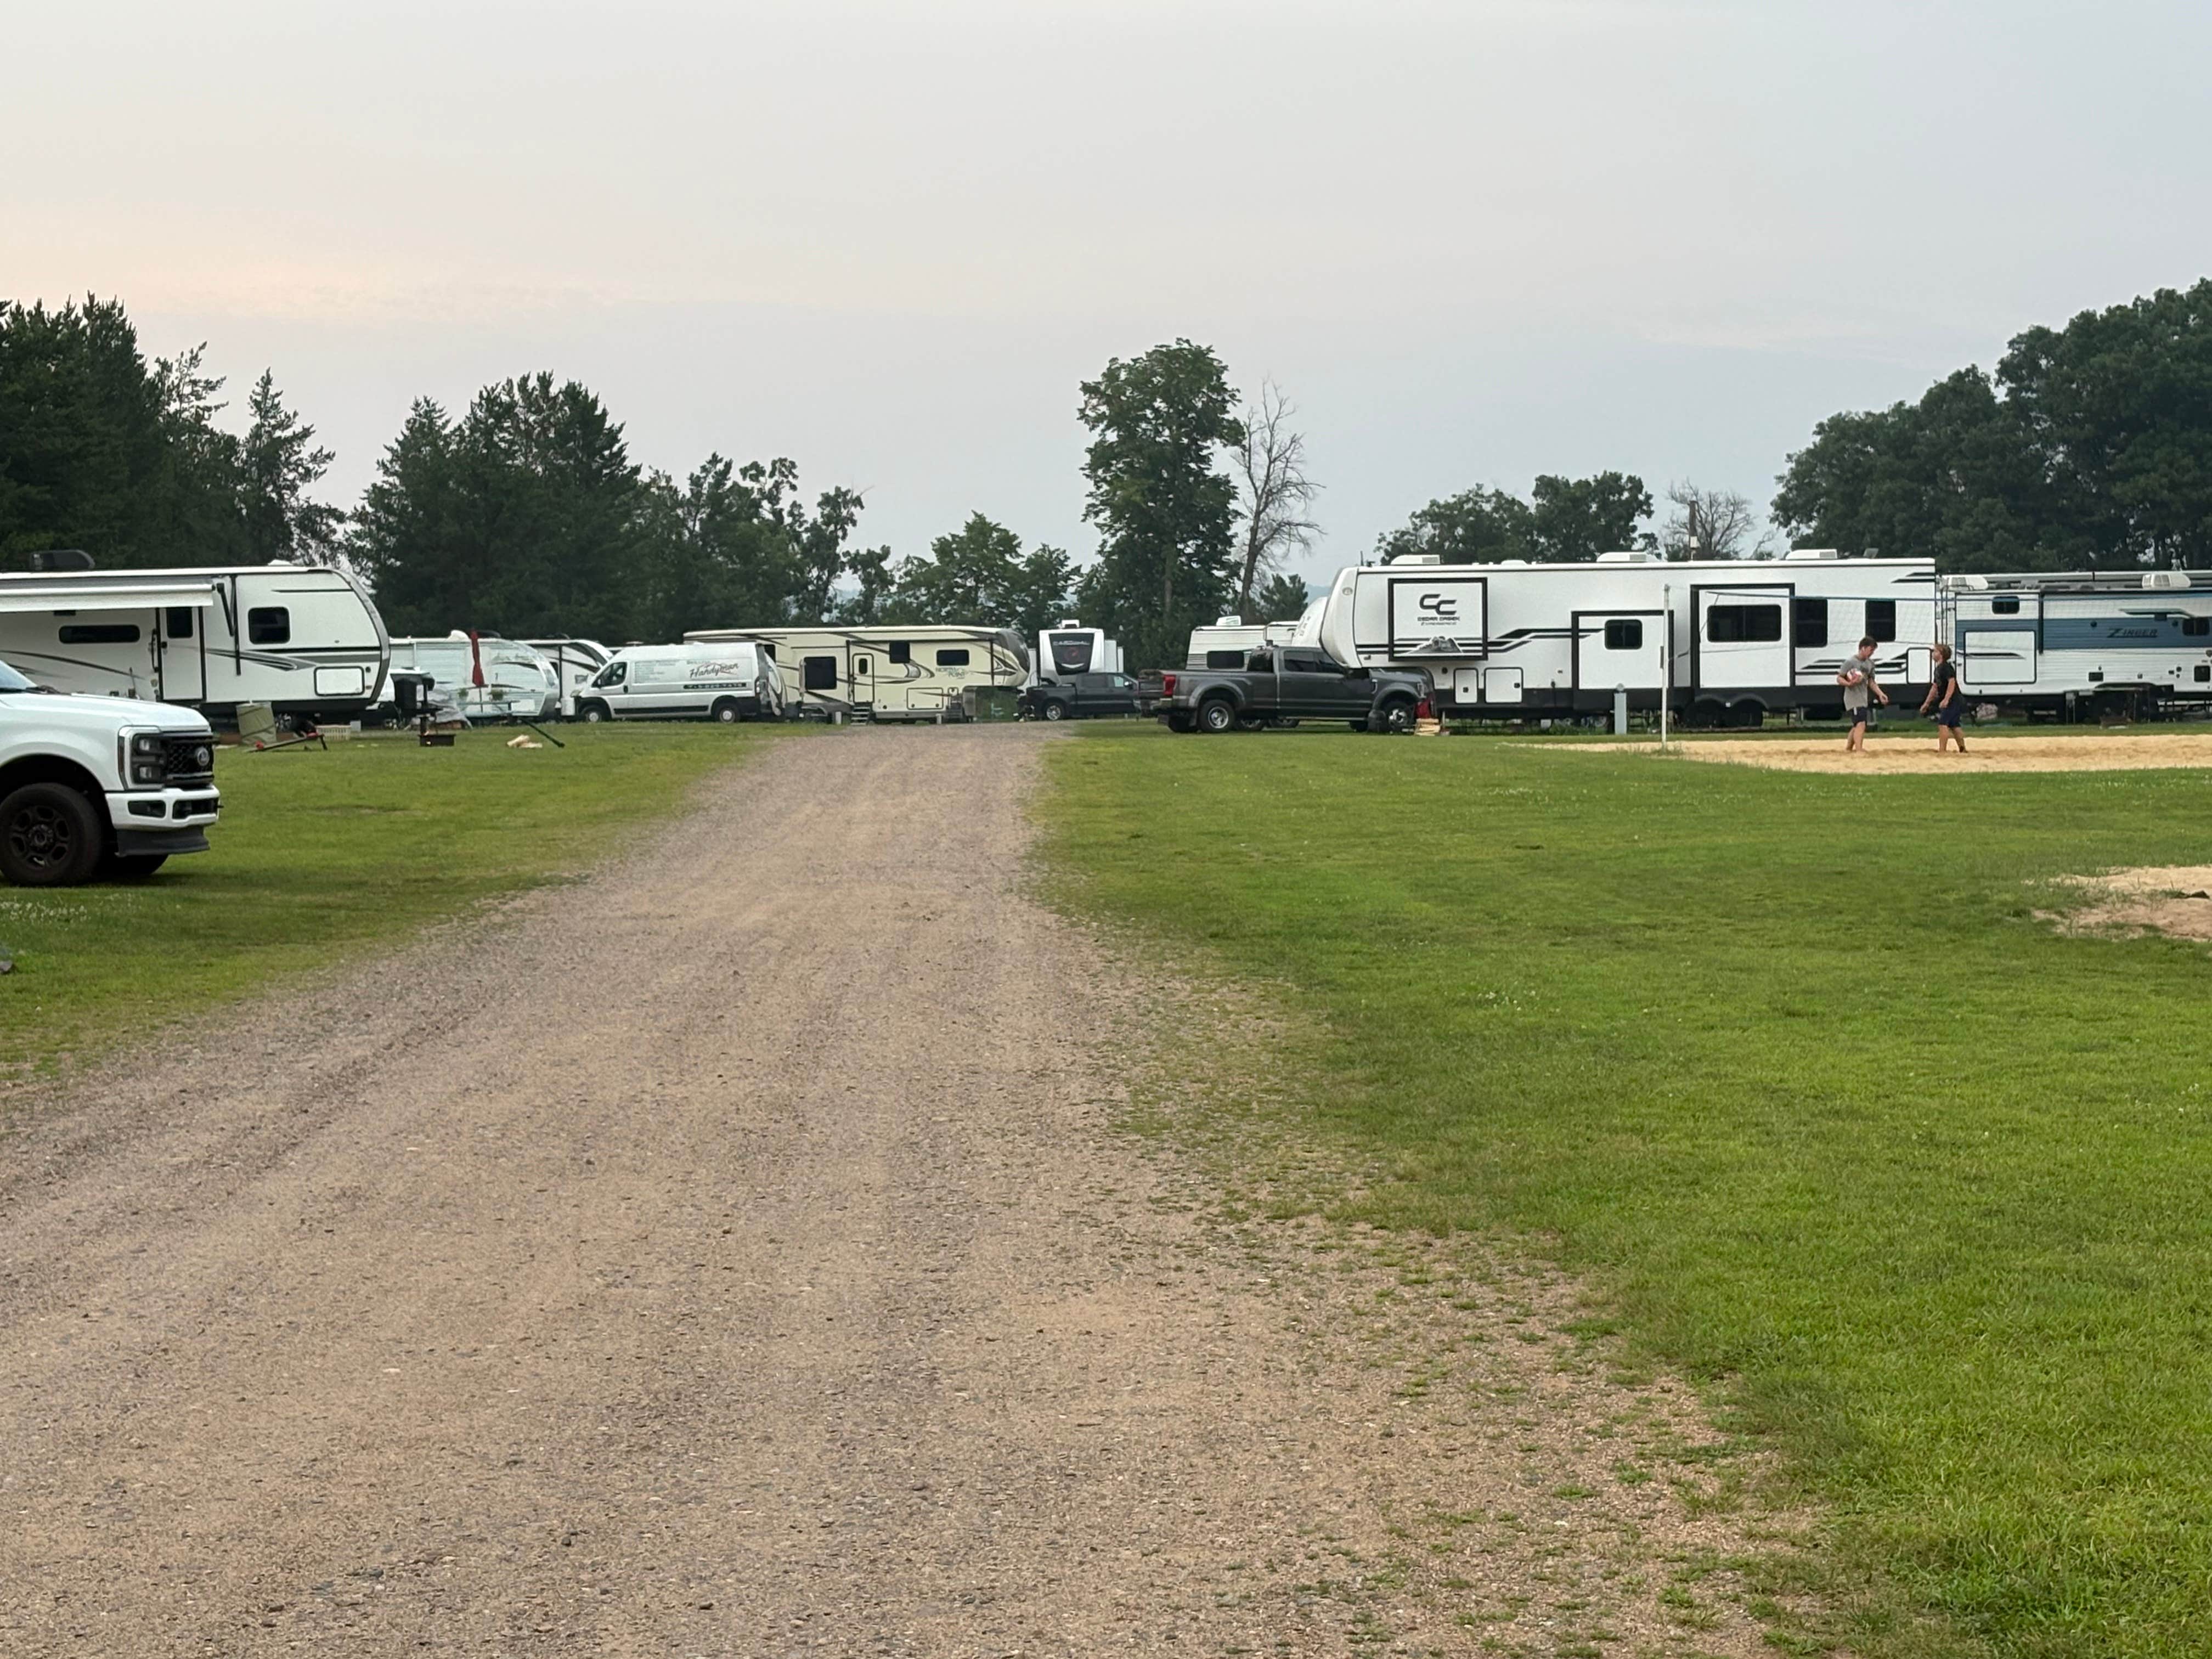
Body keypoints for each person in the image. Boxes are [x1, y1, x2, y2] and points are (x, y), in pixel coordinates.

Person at [1837, 636, 1887, 753]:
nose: (1872, 653)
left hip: (1863, 697)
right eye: (1871, 650)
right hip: (1853, 698)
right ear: (1863, 648)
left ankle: (1848, 749)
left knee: (1857, 725)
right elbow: (1839, 678)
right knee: (1861, 723)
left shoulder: (1870, 664)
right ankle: (1859, 749)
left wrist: (1880, 694)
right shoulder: (1850, 662)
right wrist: (1849, 683)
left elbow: (1871, 682)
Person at [1920, 641, 1967, 753]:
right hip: (1951, 700)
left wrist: (1946, 699)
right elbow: (1935, 687)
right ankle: (1963, 749)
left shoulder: (1946, 667)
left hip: (1953, 700)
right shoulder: (1938, 669)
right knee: (1954, 725)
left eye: (1935, 651)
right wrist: (1926, 704)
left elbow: (1952, 683)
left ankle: (1942, 750)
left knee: (1943, 724)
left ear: (1941, 654)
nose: (1933, 653)